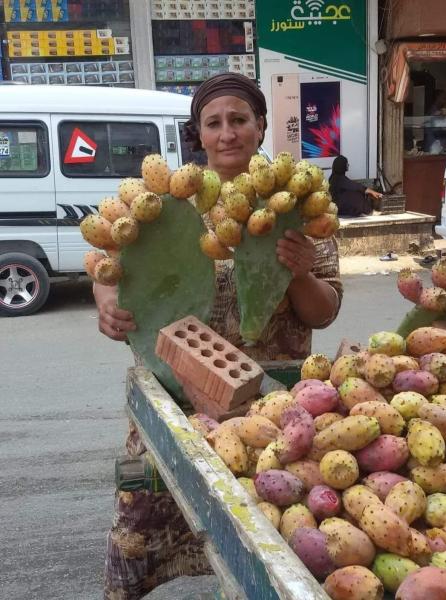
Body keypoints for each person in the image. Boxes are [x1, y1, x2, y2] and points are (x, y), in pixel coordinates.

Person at [94, 72, 343, 599]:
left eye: (239, 120)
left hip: (270, 397)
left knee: (272, 533)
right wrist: (108, 300)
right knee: (143, 515)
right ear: (198, 135)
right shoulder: (165, 202)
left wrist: (299, 272)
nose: (227, 133)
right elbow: (115, 265)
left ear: (260, 126)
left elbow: (324, 314)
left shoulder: (296, 200)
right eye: (214, 123)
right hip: (176, 389)